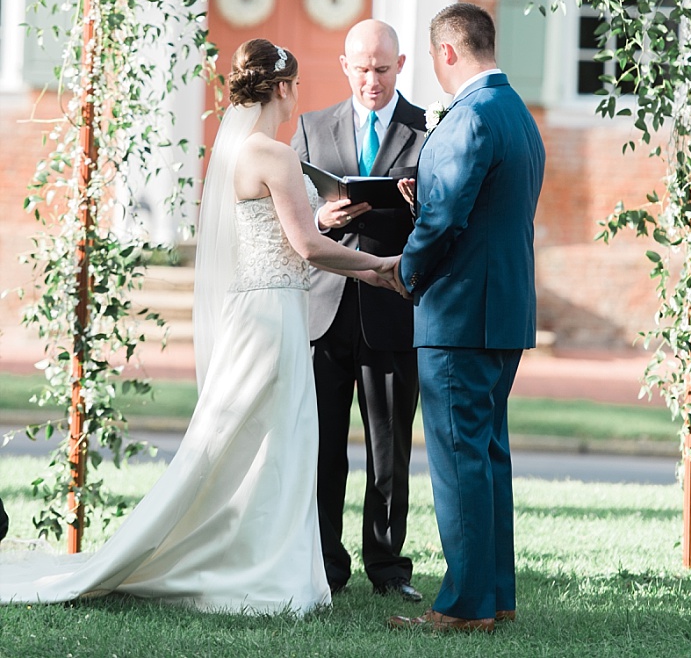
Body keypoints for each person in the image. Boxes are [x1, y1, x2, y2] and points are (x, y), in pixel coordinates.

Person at [0, 39, 400, 613]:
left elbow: (281, 230)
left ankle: (258, 560)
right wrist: (380, 268)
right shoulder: (277, 153)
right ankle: (267, 572)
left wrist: (319, 220)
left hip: (253, 310)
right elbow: (308, 248)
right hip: (274, 316)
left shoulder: (236, 150)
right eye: (295, 88)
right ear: (282, 88)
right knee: (273, 441)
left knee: (243, 439)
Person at [388, 4, 545, 634]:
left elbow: (445, 221)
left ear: (447, 51)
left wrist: (404, 271)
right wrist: (425, 190)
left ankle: (461, 606)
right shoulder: (516, 114)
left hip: (460, 315)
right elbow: (480, 205)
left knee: (459, 461)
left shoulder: (470, 114)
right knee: (487, 457)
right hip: (503, 309)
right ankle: (495, 596)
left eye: (433, 57)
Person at [291, 20, 425, 601]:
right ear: (345, 66)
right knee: (322, 447)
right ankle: (326, 563)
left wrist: (420, 211)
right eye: (362, 68)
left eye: (382, 68)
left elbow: (445, 221)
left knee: (389, 449)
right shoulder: (310, 128)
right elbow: (291, 216)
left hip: (392, 308)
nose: (372, 79)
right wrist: (322, 221)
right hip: (325, 311)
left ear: (401, 66)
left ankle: (389, 567)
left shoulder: (429, 130)